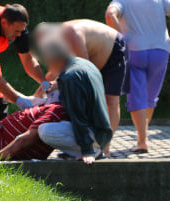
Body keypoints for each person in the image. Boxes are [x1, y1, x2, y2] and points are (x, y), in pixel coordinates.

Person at [105, 0, 170, 153]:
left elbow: (110, 15)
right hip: (160, 51)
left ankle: (142, 141)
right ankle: (143, 136)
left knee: (137, 97)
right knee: (150, 97)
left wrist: (122, 37)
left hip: (135, 51)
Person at [36, 19, 129, 156]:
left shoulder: (74, 34)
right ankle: (80, 146)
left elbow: (83, 70)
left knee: (110, 100)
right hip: (95, 54)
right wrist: (38, 95)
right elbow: (56, 69)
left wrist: (60, 84)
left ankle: (103, 148)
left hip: (115, 49)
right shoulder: (59, 40)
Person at [35, 35, 112, 165]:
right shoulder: (83, 63)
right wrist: (59, 83)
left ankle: (92, 151)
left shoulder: (71, 79)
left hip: (94, 134)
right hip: (102, 131)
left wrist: (87, 150)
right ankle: (77, 150)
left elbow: (78, 115)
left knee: (45, 131)